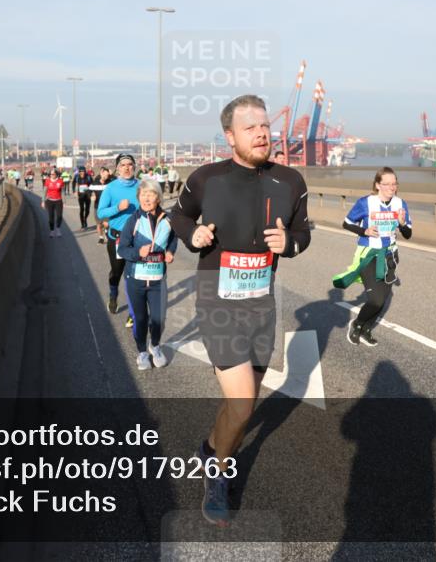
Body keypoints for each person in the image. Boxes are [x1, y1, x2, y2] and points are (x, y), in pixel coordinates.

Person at [169, 94, 311, 525]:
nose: (263, 133)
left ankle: (212, 449)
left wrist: (291, 245)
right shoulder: (206, 179)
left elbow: (304, 231)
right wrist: (192, 235)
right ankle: (217, 474)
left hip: (262, 302)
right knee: (245, 404)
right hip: (217, 298)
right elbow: (178, 217)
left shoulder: (290, 181)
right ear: (229, 136)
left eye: (265, 125)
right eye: (250, 127)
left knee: (238, 406)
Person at [331, 167, 412, 347]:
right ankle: (357, 324)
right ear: (377, 185)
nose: (392, 187)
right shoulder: (366, 202)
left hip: (389, 255)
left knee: (383, 299)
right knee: (375, 300)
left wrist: (402, 224)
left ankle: (367, 329)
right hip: (369, 254)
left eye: (394, 184)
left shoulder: (400, 204)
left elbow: (408, 234)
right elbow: (347, 223)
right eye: (387, 184)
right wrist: (364, 230)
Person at [117, 178, 178, 370]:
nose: (146, 198)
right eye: (143, 194)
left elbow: (173, 239)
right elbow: (122, 250)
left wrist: (169, 252)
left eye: (150, 194)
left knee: (159, 318)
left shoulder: (168, 220)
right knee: (141, 319)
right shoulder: (133, 221)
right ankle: (142, 352)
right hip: (135, 280)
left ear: (158, 198)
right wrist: (138, 253)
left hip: (158, 279)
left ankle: (155, 346)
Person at [96, 154, 140, 322]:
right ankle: (113, 294)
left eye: (130, 164)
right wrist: (117, 208)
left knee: (133, 276)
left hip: (137, 238)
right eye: (123, 165)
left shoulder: (142, 186)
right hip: (117, 238)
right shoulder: (111, 188)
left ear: (134, 167)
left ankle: (133, 313)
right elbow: (101, 212)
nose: (127, 168)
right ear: (117, 168)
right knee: (117, 272)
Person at [42, 168, 65, 238]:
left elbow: (63, 192)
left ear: (57, 174)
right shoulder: (47, 181)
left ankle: (58, 229)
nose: (52, 175)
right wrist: (43, 201)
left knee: (59, 216)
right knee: (51, 217)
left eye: (53, 174)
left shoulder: (60, 181)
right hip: (49, 201)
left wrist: (64, 201)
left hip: (58, 201)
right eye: (51, 174)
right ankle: (52, 231)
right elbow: (44, 192)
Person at [93, 167, 112, 244]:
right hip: (97, 207)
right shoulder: (95, 182)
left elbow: (117, 181)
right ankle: (101, 237)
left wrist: (112, 175)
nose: (106, 176)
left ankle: (107, 234)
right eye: (105, 175)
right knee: (99, 224)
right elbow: (89, 190)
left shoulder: (110, 183)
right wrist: (91, 194)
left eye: (107, 175)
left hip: (107, 207)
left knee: (107, 224)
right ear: (101, 173)